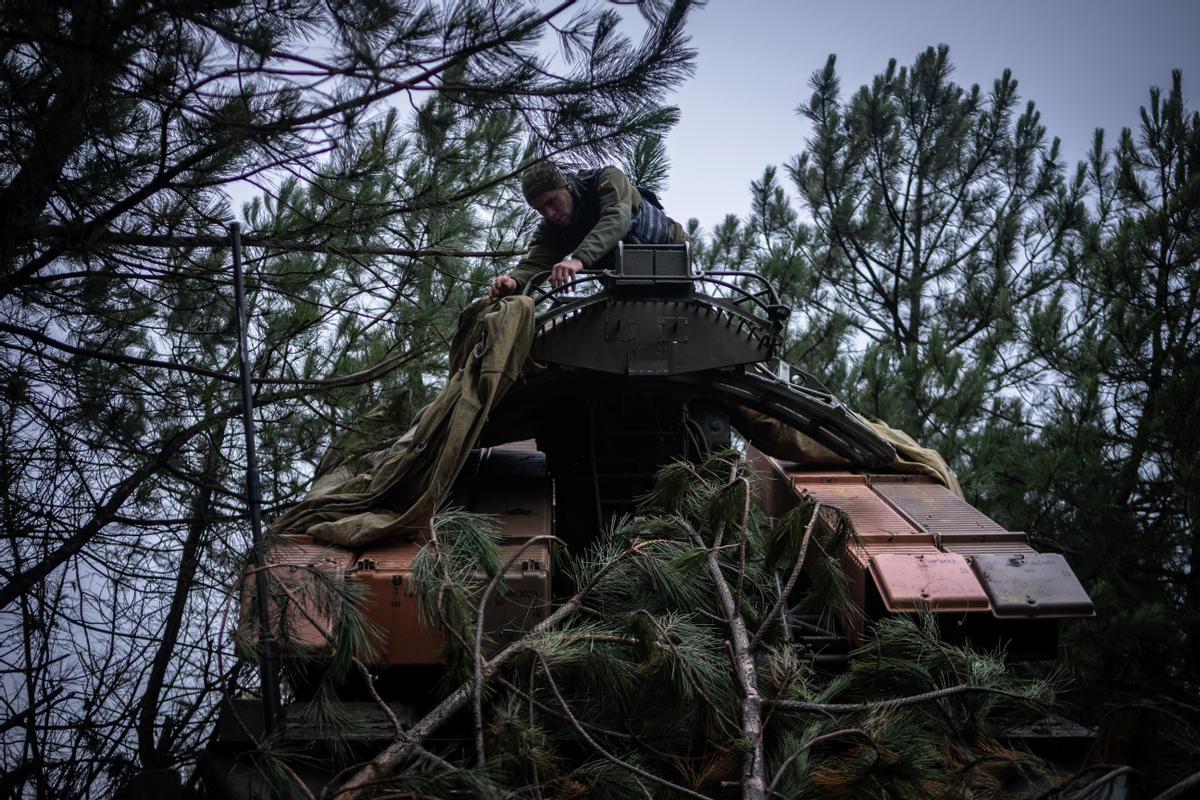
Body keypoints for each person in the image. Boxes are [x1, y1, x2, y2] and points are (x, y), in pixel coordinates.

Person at [489, 161, 685, 299]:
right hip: (625, 284)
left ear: (567, 188)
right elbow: (535, 262)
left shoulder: (607, 179)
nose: (550, 213)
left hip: (670, 256)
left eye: (552, 201)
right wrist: (513, 282)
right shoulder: (553, 228)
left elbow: (617, 219)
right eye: (540, 209)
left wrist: (578, 260)